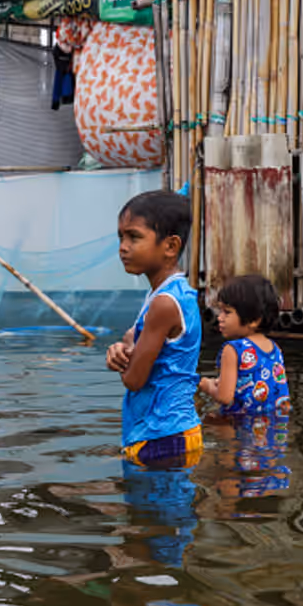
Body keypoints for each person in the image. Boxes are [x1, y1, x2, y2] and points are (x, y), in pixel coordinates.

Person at [105, 190, 202, 467]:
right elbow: (136, 341)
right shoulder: (172, 294)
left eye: (134, 237)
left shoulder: (163, 304)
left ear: (170, 246)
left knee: (153, 509)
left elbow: (134, 379)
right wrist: (121, 349)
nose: (123, 247)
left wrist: (124, 356)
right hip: (169, 432)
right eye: (121, 237)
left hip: (163, 436)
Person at [198, 274, 290, 416]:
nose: (219, 317)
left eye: (227, 312)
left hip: (239, 425)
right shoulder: (275, 348)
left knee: (208, 419)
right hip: (272, 425)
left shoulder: (232, 349)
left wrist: (207, 385)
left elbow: (224, 397)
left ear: (254, 320)